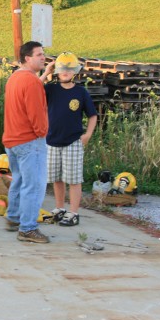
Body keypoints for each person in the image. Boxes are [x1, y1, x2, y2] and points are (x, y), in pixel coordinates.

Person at [41, 52, 98, 227]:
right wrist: (47, 71)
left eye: (69, 69)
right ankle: (59, 208)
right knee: (56, 178)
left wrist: (87, 134)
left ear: (75, 72)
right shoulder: (50, 89)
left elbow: (93, 115)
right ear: (57, 71)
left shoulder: (81, 92)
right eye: (62, 69)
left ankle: (73, 213)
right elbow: (34, 86)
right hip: (51, 140)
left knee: (73, 179)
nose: (65, 72)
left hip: (73, 142)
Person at [2, 41, 50, 244]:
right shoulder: (32, 82)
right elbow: (36, 114)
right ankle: (28, 228)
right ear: (27, 58)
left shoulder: (15, 78)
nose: (43, 57)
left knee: (19, 179)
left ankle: (14, 217)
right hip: (30, 140)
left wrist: (45, 74)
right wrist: (42, 133)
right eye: (39, 54)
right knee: (35, 185)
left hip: (12, 139)